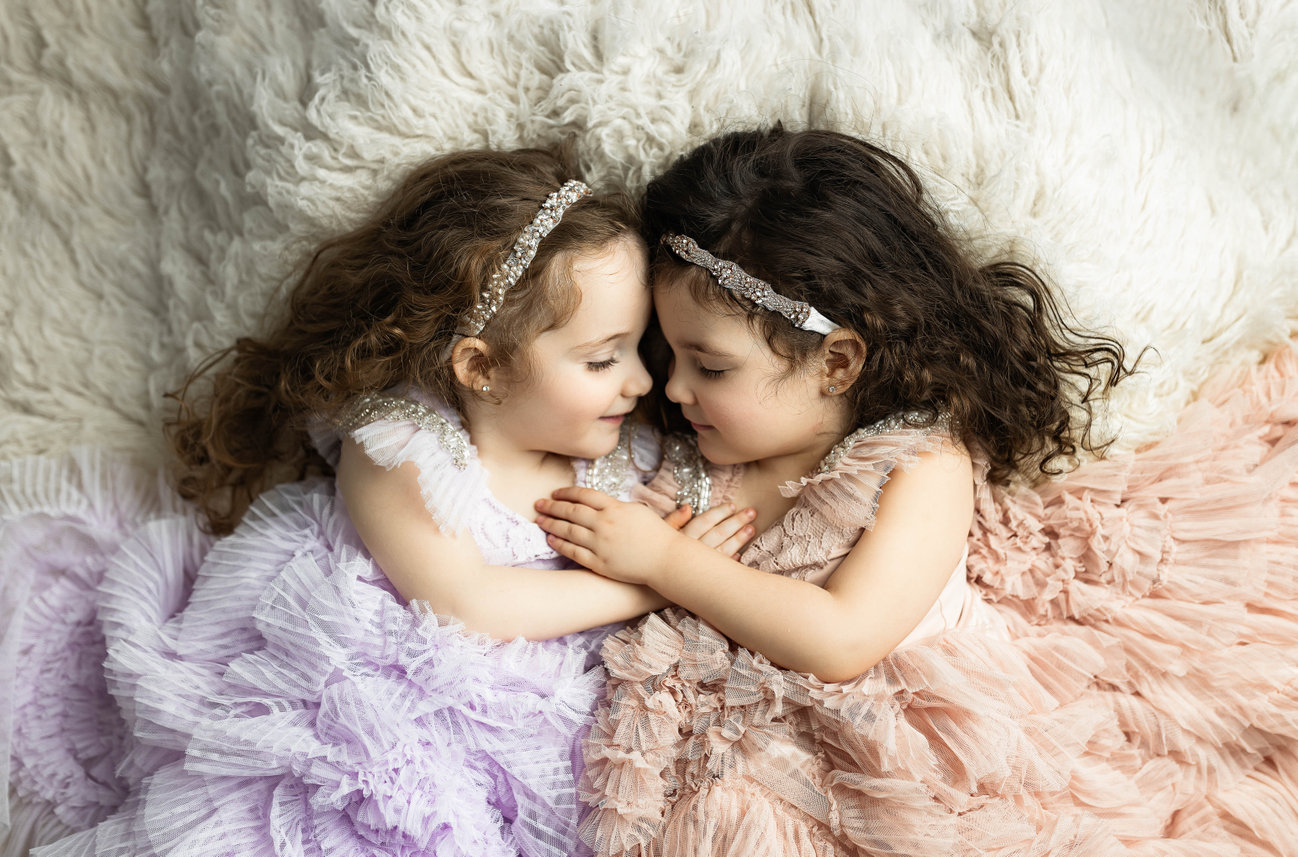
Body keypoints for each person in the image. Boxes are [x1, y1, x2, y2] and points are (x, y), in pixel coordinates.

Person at [537, 127, 1298, 855]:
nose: (674, 386)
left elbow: (841, 638)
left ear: (836, 362)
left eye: (711, 367)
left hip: (919, 775)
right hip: (743, 777)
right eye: (669, 353)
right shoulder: (700, 462)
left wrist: (665, 563)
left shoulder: (916, 462)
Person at [0, 145, 753, 857]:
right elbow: (468, 602)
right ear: (481, 366)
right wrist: (655, 578)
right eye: (601, 358)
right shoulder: (406, 446)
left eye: (637, 346)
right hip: (365, 701)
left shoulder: (630, 457)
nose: (642, 381)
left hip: (537, 742)